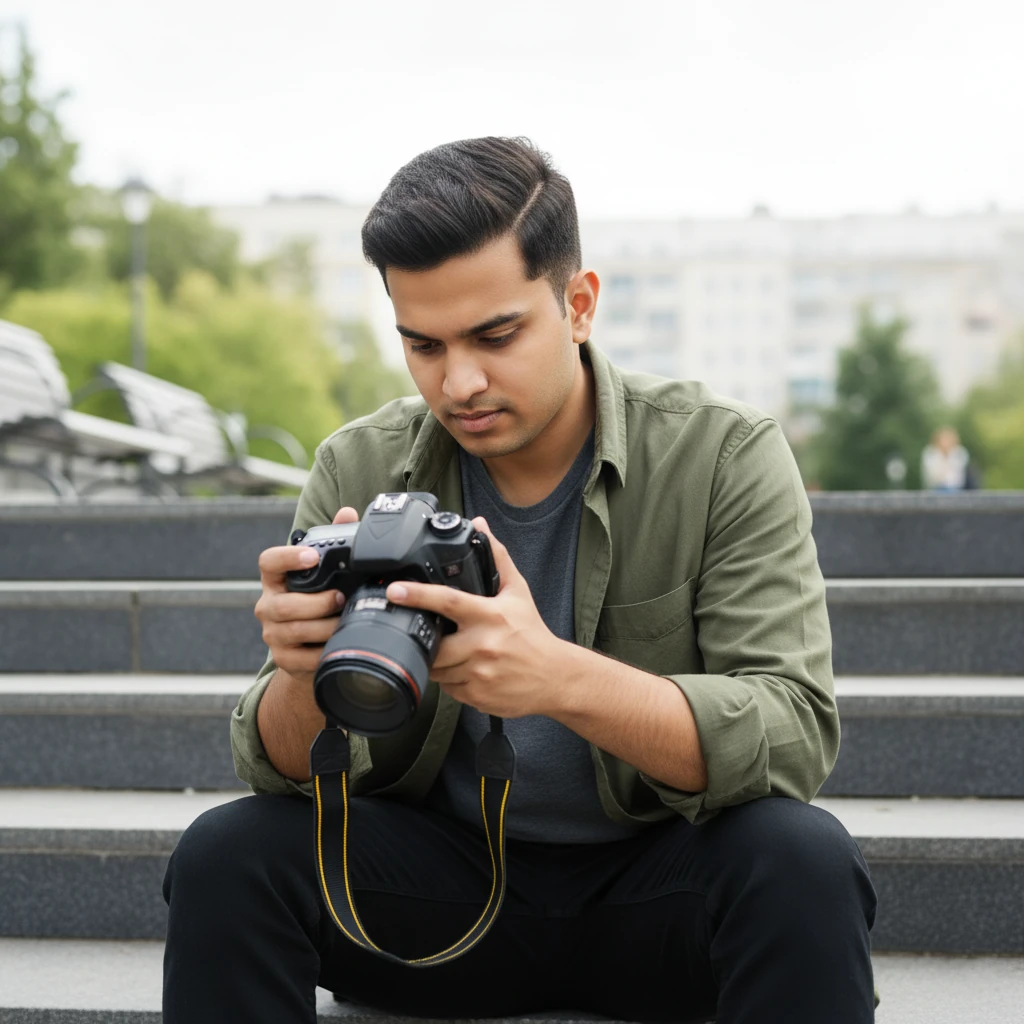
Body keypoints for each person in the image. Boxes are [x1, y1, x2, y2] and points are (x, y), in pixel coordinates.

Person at [162, 137, 877, 1023]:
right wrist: (306, 673)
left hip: (663, 894)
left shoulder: (721, 454)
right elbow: (274, 767)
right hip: (436, 907)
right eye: (423, 345)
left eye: (496, 336)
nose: (459, 381)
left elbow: (793, 733)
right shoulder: (362, 467)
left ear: (579, 305)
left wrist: (558, 679)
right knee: (227, 854)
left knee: (803, 859)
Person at [922, 427, 971, 491]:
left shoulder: (959, 452)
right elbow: (933, 476)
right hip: (936, 488)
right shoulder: (931, 453)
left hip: (956, 488)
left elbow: (957, 475)